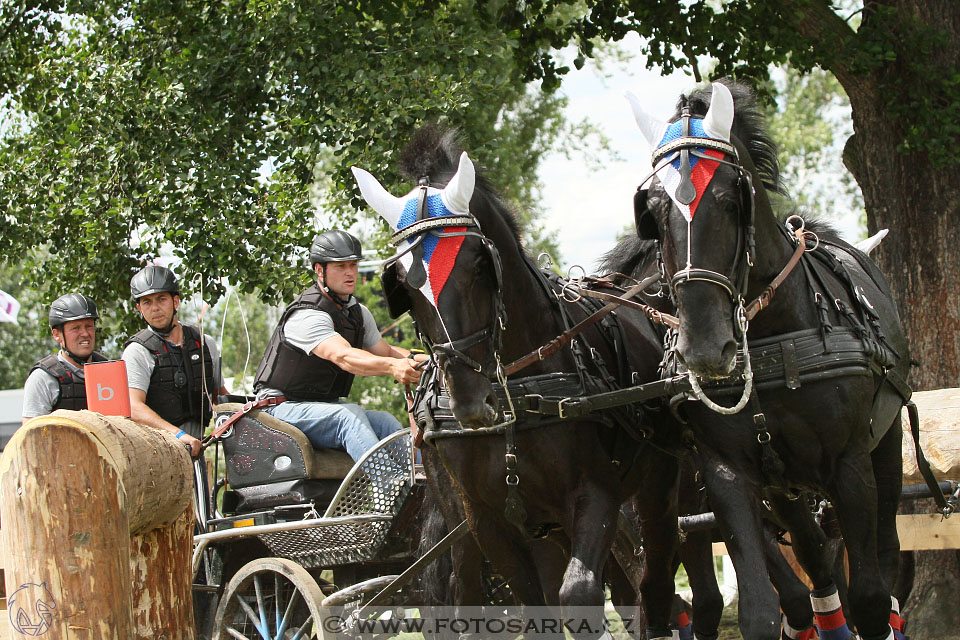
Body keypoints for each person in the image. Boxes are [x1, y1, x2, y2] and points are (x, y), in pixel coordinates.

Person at [253, 230, 425, 461]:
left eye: (353, 265)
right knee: (348, 415)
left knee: (385, 421)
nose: (350, 272)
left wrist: (427, 362)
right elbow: (343, 356)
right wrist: (393, 367)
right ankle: (390, 488)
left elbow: (387, 352)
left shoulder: (357, 313)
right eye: (340, 266)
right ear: (319, 270)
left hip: (323, 406)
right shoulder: (307, 315)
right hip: (279, 408)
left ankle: (421, 484)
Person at [122, 265, 228, 457]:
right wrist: (177, 435)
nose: (155, 308)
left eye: (161, 299)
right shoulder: (137, 351)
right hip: (155, 451)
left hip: (197, 446)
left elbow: (219, 396)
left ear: (175, 301)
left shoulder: (204, 343)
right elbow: (133, 407)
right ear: (139, 308)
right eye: (147, 302)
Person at [22, 293, 108, 424]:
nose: (85, 334)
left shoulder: (108, 369)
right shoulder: (42, 378)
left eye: (89, 326)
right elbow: (32, 437)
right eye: (76, 328)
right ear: (57, 335)